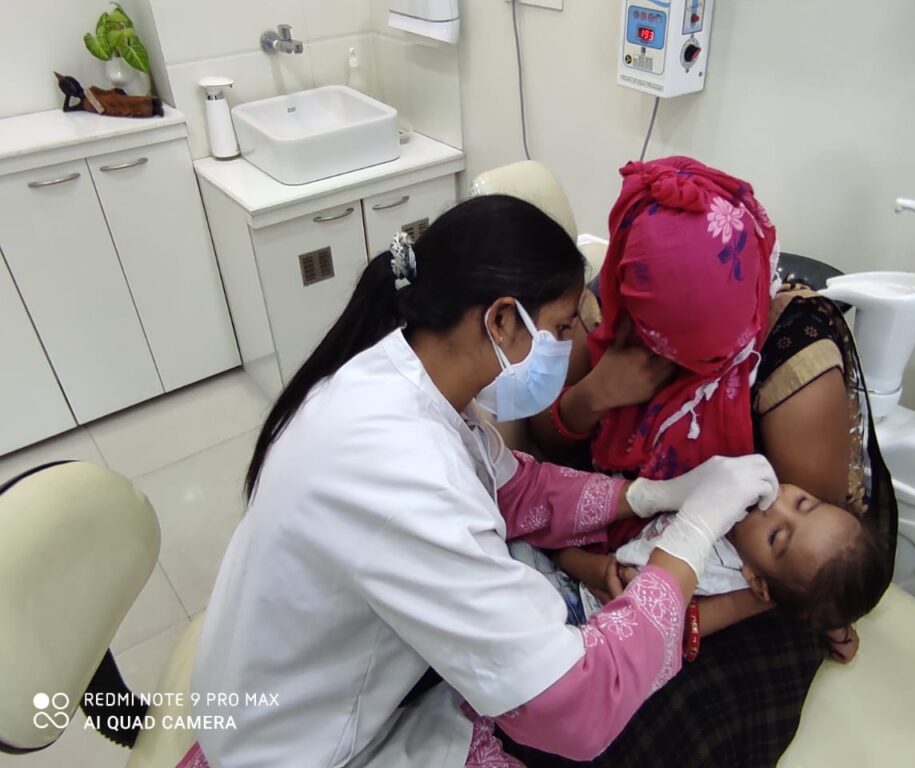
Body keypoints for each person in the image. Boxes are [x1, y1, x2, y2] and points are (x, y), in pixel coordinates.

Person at [186, 194, 783, 768]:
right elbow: (576, 704)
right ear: (501, 320)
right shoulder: (401, 470)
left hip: (285, 684)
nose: (574, 344)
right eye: (563, 327)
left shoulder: (402, 377)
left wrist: (655, 494)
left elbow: (517, 489)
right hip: (298, 744)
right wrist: (694, 531)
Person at [511, 157, 897, 767]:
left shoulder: (789, 362)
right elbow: (550, 442)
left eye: (703, 359)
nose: (680, 371)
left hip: (748, 585)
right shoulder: (609, 314)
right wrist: (596, 395)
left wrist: (706, 602)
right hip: (624, 544)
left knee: (670, 725)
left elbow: (804, 562)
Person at [571, 484, 890, 636]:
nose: (775, 505)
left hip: (578, 606)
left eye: (775, 535)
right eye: (803, 501)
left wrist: (560, 554)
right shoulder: (750, 496)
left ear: (756, 582)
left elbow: (611, 575)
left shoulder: (709, 565)